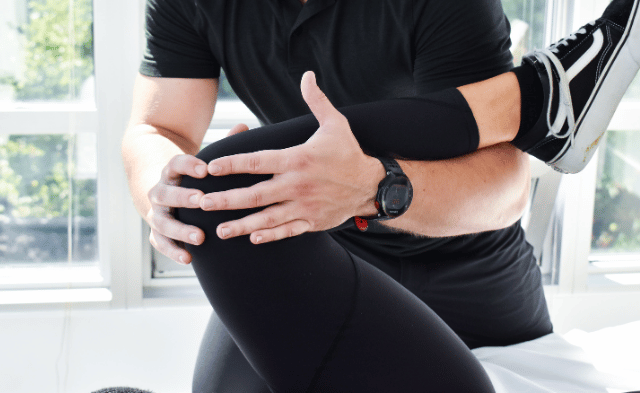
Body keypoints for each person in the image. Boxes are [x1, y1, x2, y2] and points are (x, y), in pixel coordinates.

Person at [122, 0, 639, 391]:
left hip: (469, 273)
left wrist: (372, 188)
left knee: (222, 185)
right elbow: (157, 128)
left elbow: (505, 192)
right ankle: (535, 99)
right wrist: (161, 191)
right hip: (321, 255)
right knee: (208, 193)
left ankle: (534, 100)